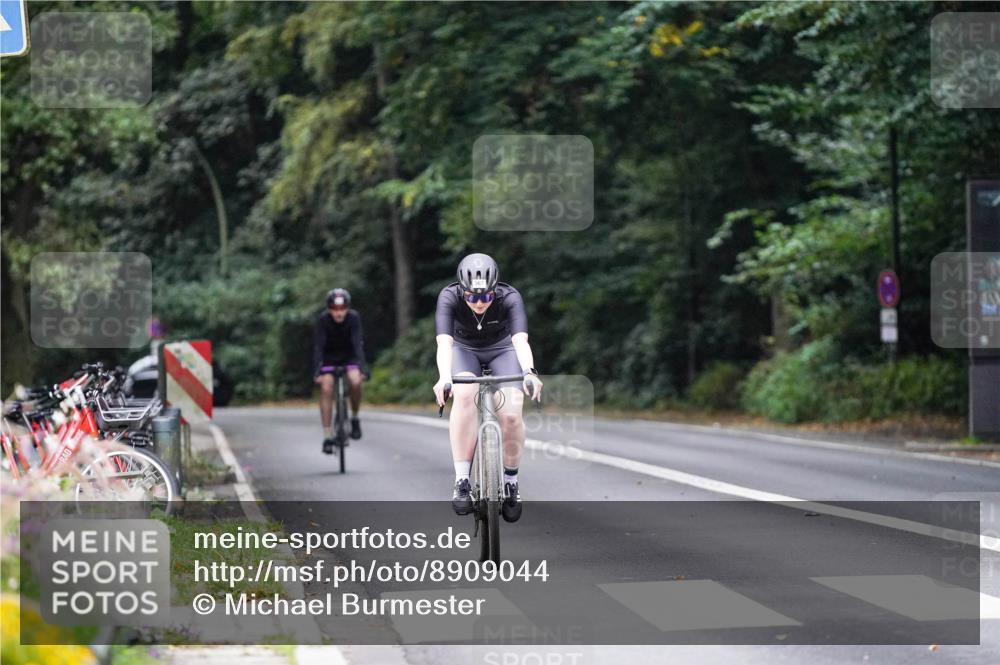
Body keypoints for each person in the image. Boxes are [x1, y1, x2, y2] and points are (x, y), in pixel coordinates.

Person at [432, 253, 543, 522]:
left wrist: (529, 372)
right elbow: (444, 344)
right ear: (462, 291)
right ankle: (462, 481)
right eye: (472, 297)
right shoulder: (448, 296)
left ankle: (511, 482)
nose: (479, 302)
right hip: (464, 350)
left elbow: (520, 341)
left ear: (496, 290)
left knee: (512, 415)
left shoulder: (510, 297)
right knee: (464, 394)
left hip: (503, 350)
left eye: (486, 296)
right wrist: (444, 377)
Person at [313, 288, 366, 454]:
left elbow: (358, 343)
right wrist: (317, 371)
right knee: (326, 388)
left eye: (342, 308)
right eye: (335, 309)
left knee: (356, 382)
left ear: (347, 308)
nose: (339, 313)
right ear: (329, 309)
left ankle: (355, 417)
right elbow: (319, 346)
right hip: (329, 360)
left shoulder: (354, 318)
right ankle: (327, 436)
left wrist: (362, 368)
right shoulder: (323, 320)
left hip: (350, 357)